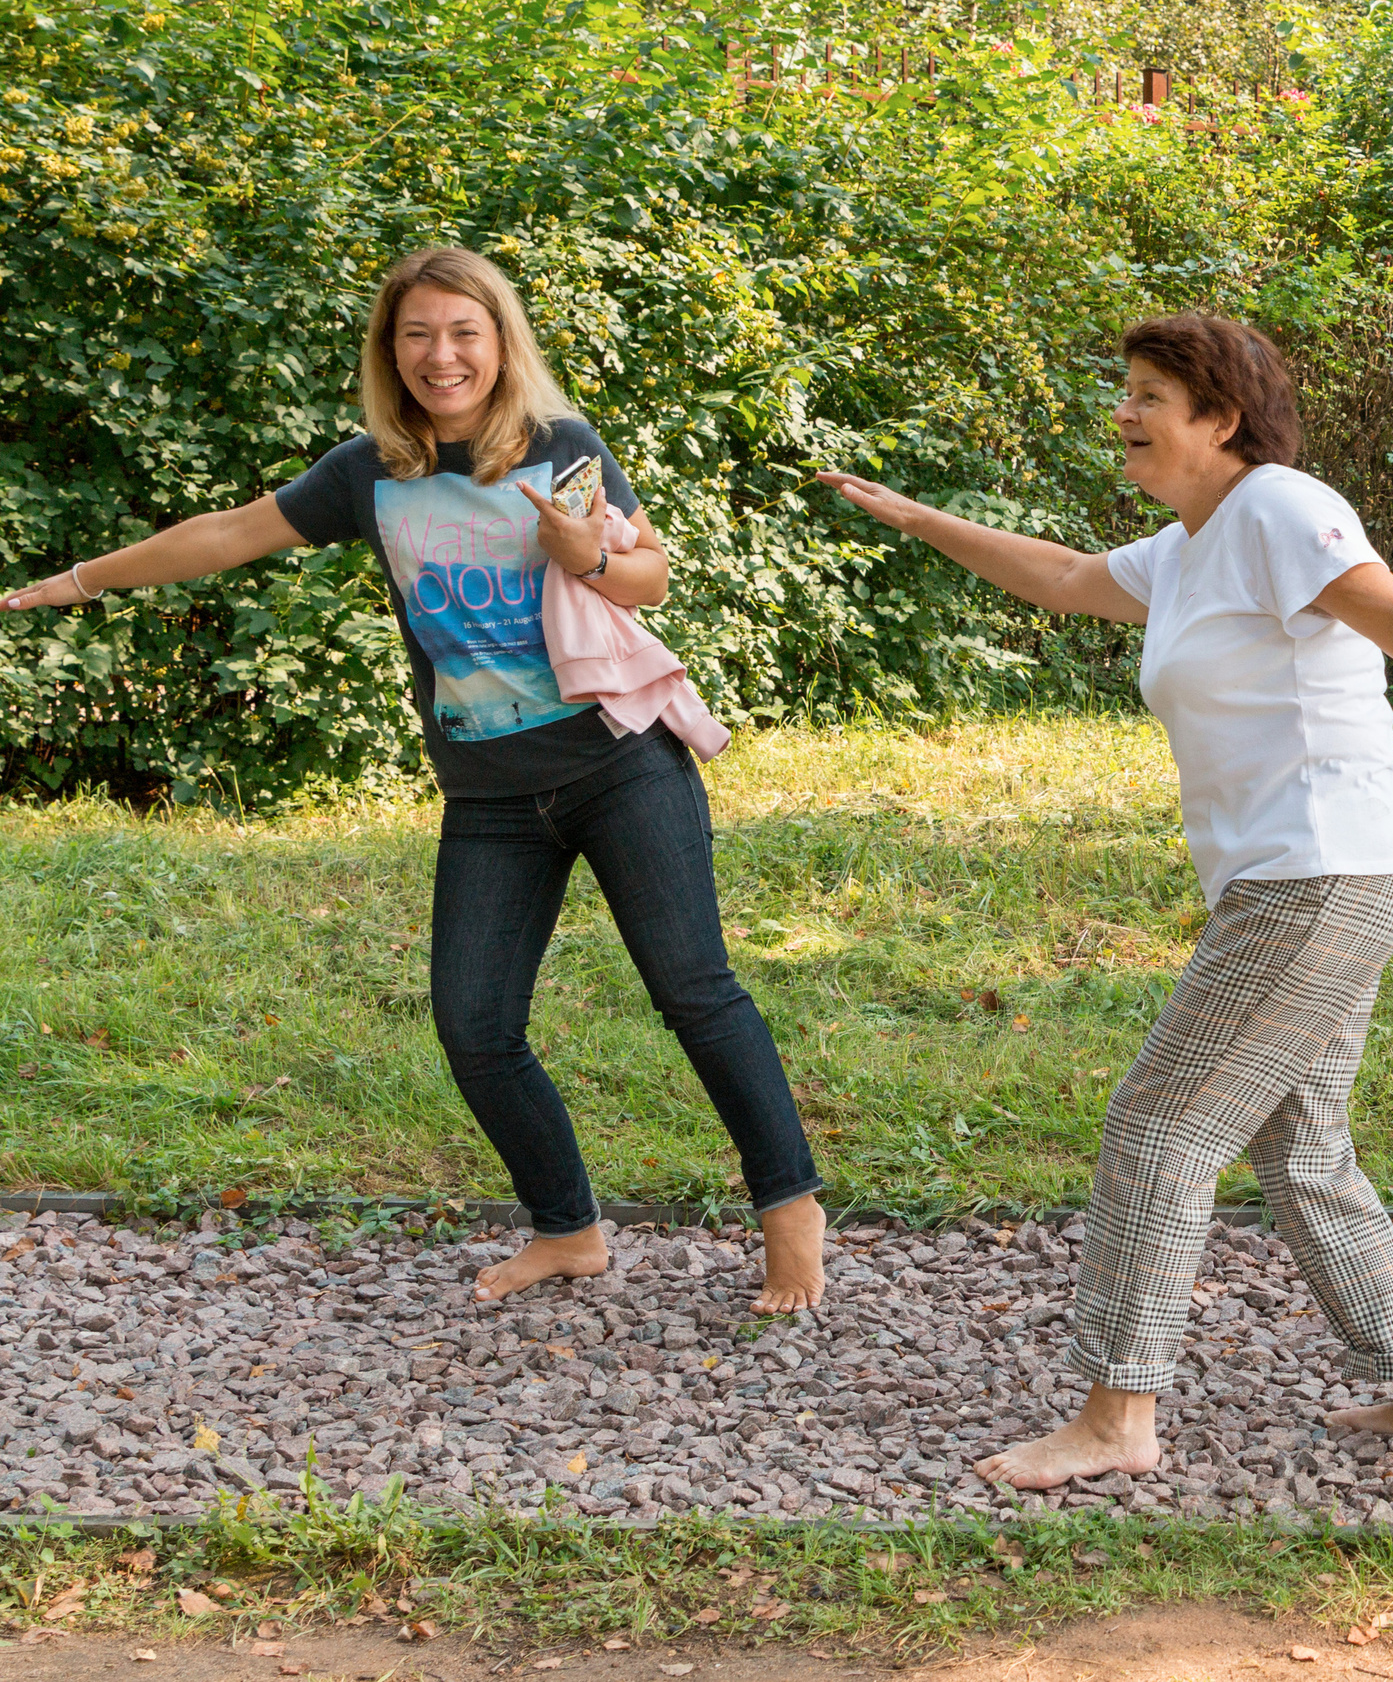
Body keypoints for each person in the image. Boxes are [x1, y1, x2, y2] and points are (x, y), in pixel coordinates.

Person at [816, 312, 1393, 1489]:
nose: (1124, 413)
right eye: (1126, 388)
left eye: (1148, 394)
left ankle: (1117, 1419)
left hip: (1317, 876)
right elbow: (1072, 579)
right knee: (1302, 1153)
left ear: (1220, 419)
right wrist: (917, 518)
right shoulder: (1190, 544)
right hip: (1296, 878)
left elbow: (1390, 609)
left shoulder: (1280, 507)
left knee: (1159, 1127)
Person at [0, 246, 829, 1314]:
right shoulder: (372, 473)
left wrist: (585, 553)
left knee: (696, 994)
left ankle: (790, 1219)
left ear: (499, 342)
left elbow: (649, 576)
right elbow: (229, 533)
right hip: (487, 795)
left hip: (620, 765)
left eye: (463, 333)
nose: (442, 356)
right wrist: (75, 581)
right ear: (391, 352)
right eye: (417, 335)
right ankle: (567, 1230)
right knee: (474, 1026)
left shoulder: (557, 447)